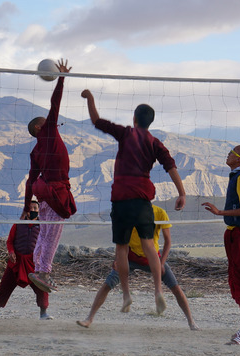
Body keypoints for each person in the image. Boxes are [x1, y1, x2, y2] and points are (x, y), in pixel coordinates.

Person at [81, 88, 186, 315]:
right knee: (150, 246)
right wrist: (182, 193)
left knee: (122, 247)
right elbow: (171, 167)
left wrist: (90, 98)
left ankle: (127, 294)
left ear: (134, 119)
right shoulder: (155, 142)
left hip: (121, 199)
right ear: (150, 123)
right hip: (142, 201)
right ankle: (158, 290)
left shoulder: (126, 133)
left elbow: (96, 121)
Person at [76, 205, 199, 330]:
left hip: (153, 258)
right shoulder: (127, 212)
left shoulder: (160, 212)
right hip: (130, 257)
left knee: (175, 287)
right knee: (108, 284)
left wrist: (162, 263)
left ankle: (191, 322)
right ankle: (89, 318)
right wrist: (117, 259)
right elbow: (122, 241)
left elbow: (168, 241)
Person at [25, 59, 77, 294]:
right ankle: (44, 272)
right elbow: (54, 104)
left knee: (45, 234)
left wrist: (27, 205)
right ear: (39, 128)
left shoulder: (36, 150)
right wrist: (62, 78)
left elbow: (29, 180)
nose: (52, 122)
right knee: (53, 235)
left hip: (44, 196)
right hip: (56, 193)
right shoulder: (48, 133)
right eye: (45, 122)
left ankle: (37, 268)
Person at [202, 145, 240, 345]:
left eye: (231, 153)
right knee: (237, 280)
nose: (228, 154)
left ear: (239, 160)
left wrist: (220, 213)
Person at [0, 200, 53, 320]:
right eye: (30, 208)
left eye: (35, 208)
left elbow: (47, 244)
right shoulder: (18, 224)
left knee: (41, 288)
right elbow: (10, 241)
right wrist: (11, 252)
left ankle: (44, 313)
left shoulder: (43, 226)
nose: (32, 210)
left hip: (34, 264)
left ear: (39, 211)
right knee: (5, 286)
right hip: (16, 262)